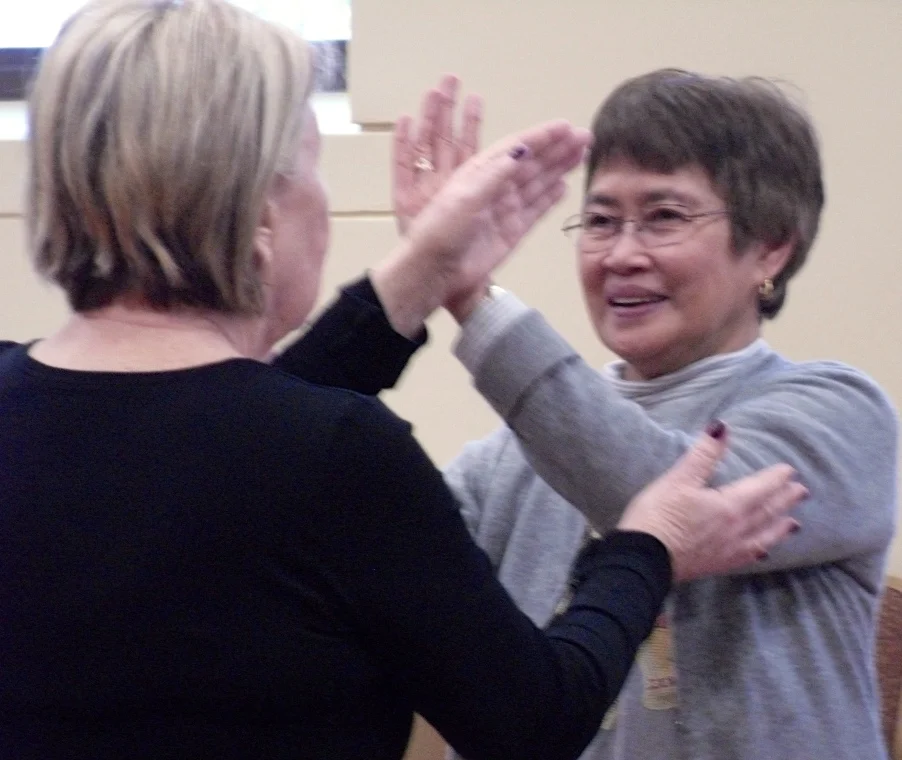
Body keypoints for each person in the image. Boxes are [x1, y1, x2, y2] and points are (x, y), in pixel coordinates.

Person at [0, 4, 805, 760]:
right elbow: (535, 720)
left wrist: (428, 270)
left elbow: (217, 448)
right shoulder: (337, 459)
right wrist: (646, 548)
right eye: (312, 168)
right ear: (260, 216)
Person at [278, 72, 899, 760]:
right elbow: (345, 550)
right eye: (601, 222)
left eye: (665, 217)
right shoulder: (508, 459)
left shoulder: (840, 412)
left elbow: (657, 490)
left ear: (771, 246)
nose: (622, 256)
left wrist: (473, 299)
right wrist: (424, 265)